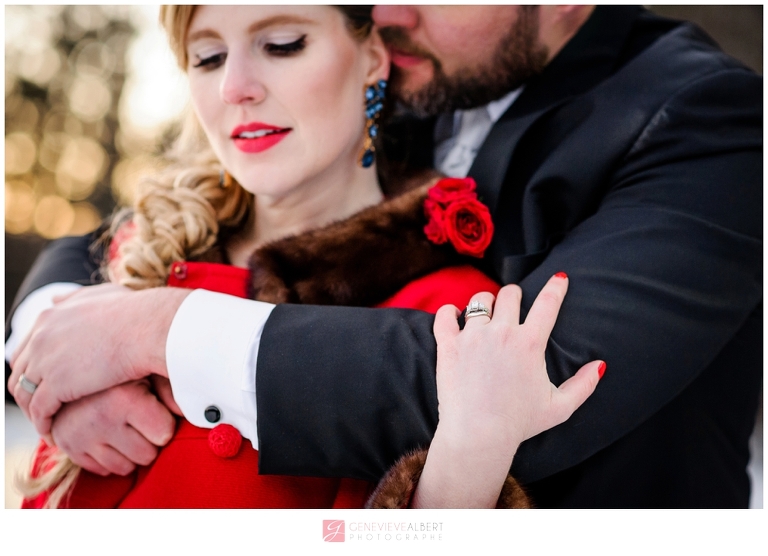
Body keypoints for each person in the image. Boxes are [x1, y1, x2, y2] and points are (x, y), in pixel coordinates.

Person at [7, 5, 761, 508]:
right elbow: (117, 236)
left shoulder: (704, 113)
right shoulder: (405, 78)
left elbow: (543, 374)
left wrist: (159, 336)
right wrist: (59, 344)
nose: (388, 7)